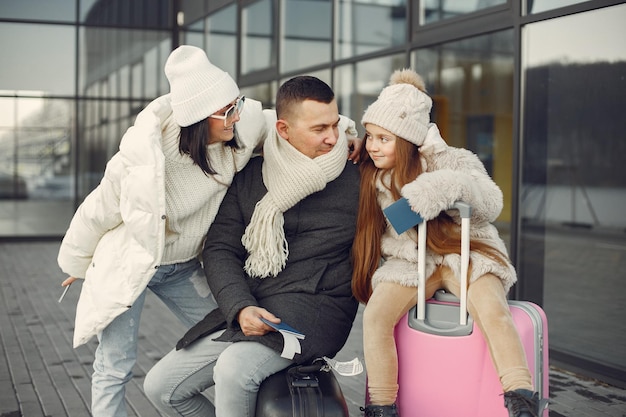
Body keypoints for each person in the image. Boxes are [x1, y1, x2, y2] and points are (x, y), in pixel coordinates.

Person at [56, 45, 272, 417]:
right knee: (115, 364)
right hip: (133, 264)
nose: (237, 116)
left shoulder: (238, 127)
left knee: (232, 334)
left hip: (184, 266)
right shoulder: (141, 159)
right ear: (200, 117)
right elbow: (98, 210)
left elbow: (289, 123)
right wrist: (77, 261)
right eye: (228, 111)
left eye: (238, 104)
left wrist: (347, 133)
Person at [143, 75, 360, 417]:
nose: (333, 137)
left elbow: (408, 209)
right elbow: (219, 249)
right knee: (162, 387)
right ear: (284, 130)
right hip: (256, 306)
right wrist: (240, 307)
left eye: (335, 125)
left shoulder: (360, 177)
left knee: (233, 369)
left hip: (317, 312)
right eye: (320, 129)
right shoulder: (251, 175)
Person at [351, 69, 544, 417]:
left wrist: (440, 187)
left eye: (384, 138)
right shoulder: (371, 173)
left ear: (407, 140)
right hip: (411, 262)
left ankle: (521, 399)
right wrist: (349, 137)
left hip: (465, 253)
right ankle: (382, 407)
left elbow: (490, 202)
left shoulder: (450, 159)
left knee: (492, 309)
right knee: (377, 315)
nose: (373, 146)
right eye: (370, 136)